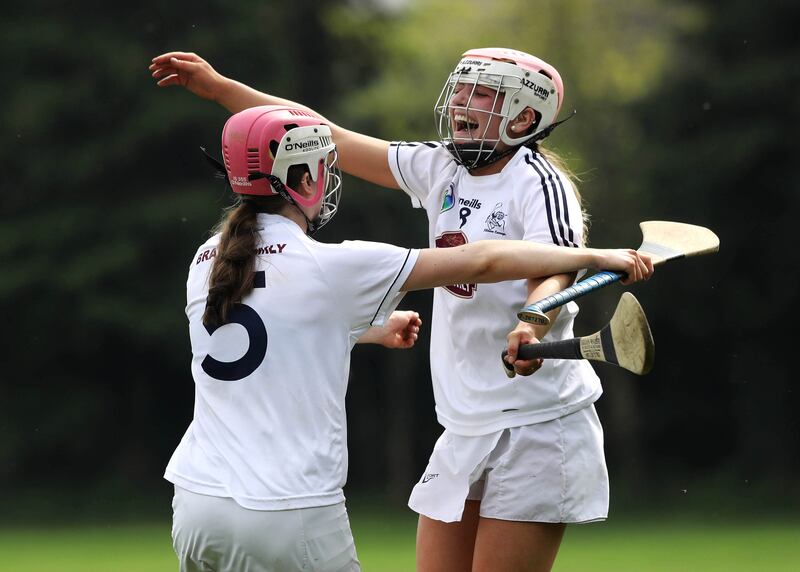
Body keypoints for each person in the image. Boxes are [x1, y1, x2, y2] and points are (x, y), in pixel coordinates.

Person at [151, 50, 652, 572]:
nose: (460, 100)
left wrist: (534, 318)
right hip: (465, 420)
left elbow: (554, 267)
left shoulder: (538, 181)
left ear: (525, 116)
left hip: (535, 421)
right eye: (459, 88)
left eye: (481, 93)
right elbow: (325, 138)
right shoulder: (439, 165)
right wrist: (222, 89)